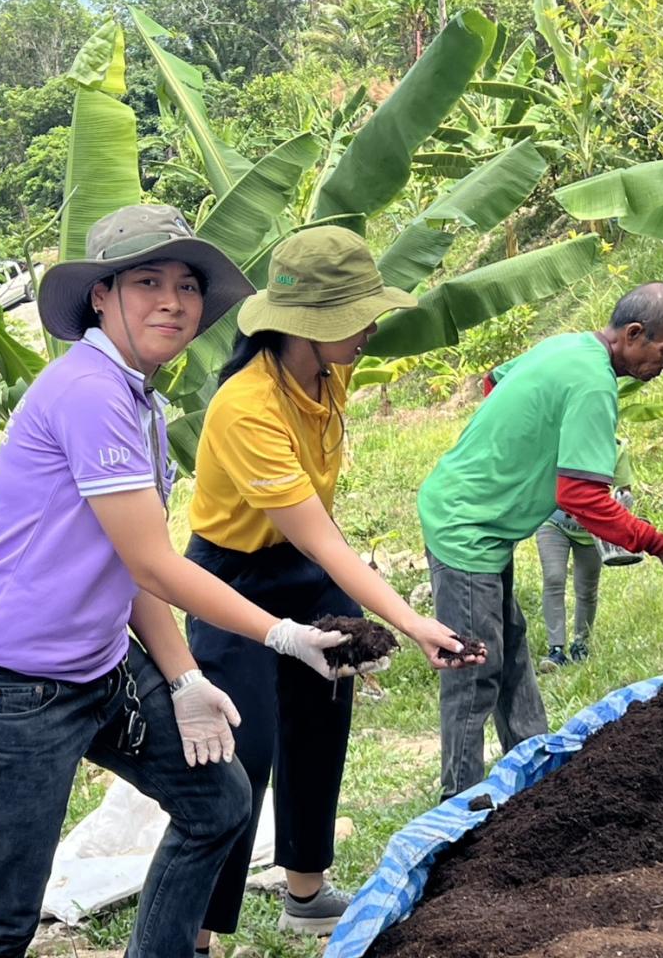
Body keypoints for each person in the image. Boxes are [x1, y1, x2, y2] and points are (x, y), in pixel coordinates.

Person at [0, 205, 354, 958]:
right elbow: (156, 563)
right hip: (16, 685)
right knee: (0, 918)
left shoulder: (137, 398)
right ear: (101, 295)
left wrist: (185, 678)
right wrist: (283, 634)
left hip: (100, 667)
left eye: (187, 285)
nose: (173, 300)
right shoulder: (90, 393)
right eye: (147, 281)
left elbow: (130, 569)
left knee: (217, 801)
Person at [184, 226, 481, 948]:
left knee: (321, 723)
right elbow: (322, 535)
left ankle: (306, 893)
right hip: (233, 575)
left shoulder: (329, 370)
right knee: (241, 752)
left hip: (306, 572)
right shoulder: (244, 406)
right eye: (354, 317)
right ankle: (198, 931)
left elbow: (318, 543)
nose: (371, 328)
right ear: (302, 327)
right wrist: (415, 622)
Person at [418, 282, 663, 803]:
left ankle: (536, 773)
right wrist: (660, 544)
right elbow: (584, 498)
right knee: (474, 669)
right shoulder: (595, 384)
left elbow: (495, 382)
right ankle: (457, 805)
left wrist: (519, 449)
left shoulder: (568, 345)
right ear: (634, 334)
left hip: (474, 516)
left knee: (509, 646)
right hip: (468, 527)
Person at [535, 440, 634, 672]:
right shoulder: (562, 437)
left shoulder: (615, 447)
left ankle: (581, 644)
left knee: (587, 588)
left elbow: (624, 489)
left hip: (592, 530)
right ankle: (555, 649)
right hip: (553, 522)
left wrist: (623, 502)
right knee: (553, 578)